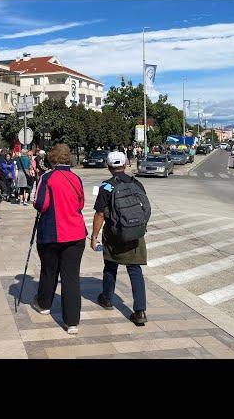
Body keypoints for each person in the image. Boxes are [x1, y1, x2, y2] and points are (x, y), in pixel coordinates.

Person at [31, 143, 86, 335]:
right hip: (76, 233)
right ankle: (72, 322)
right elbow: (81, 203)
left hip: (52, 233)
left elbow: (40, 203)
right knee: (71, 277)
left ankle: (44, 304)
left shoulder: (47, 177)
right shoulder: (76, 178)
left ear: (52, 159)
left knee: (49, 271)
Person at [90, 150, 150, 326]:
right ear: (125, 165)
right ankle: (140, 311)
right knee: (135, 270)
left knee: (110, 266)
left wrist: (94, 237)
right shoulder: (137, 184)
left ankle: (107, 299)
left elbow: (100, 214)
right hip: (135, 235)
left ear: (108, 167)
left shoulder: (106, 187)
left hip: (114, 234)